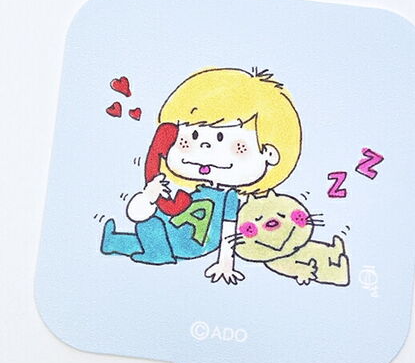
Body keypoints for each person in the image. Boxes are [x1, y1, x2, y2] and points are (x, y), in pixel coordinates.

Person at [101, 67, 302, 284]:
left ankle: (151, 253)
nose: (205, 148)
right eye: (192, 136)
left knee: (149, 229)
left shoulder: (230, 197)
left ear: (269, 154)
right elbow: (138, 214)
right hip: (171, 233)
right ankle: (112, 242)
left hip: (192, 245)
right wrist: (150, 195)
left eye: (225, 140)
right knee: (146, 229)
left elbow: (229, 229)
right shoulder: (189, 191)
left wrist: (225, 263)